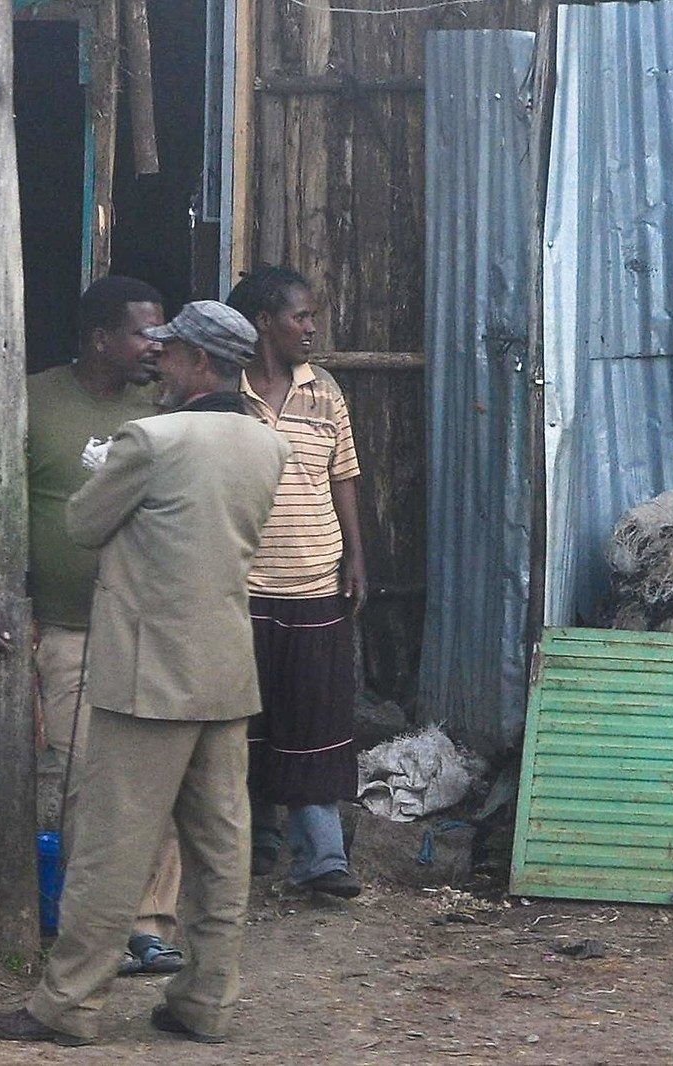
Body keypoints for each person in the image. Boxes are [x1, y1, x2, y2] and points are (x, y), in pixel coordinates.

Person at [0, 301, 288, 1046]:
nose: (159, 360)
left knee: (109, 849)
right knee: (221, 850)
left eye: (172, 352)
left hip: (147, 674)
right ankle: (205, 1002)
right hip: (223, 670)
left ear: (202, 364)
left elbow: (85, 524)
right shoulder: (265, 442)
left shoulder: (150, 439)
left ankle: (68, 1005)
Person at [0, 276, 188, 976]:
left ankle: (148, 924)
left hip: (151, 627)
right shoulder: (36, 399)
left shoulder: (165, 406)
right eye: (144, 333)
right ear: (99, 339)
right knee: (86, 779)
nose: (157, 346)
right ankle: (98, 929)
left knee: (156, 780)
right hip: (68, 631)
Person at [225, 265, 369, 898]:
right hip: (240, 584)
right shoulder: (224, 393)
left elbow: (343, 477)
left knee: (316, 723)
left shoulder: (324, 390)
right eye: (299, 317)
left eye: (312, 316)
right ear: (263, 322)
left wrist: (355, 557)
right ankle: (255, 838)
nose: (311, 328)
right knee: (242, 724)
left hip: (314, 580)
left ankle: (323, 859)